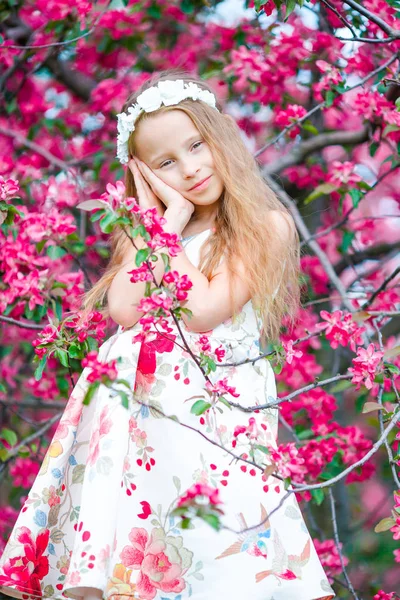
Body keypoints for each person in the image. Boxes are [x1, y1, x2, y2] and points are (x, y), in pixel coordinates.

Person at [0, 70, 335, 600]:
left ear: (219, 137)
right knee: (142, 556)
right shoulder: (161, 232)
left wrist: (168, 229)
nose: (190, 169)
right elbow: (124, 308)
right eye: (166, 164)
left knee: (216, 552)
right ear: (146, 177)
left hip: (210, 416)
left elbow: (203, 310)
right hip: (139, 421)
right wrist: (163, 222)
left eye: (196, 145)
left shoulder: (263, 225)